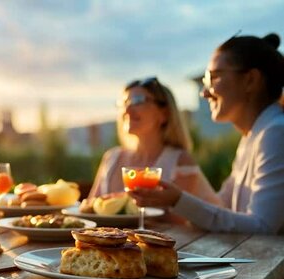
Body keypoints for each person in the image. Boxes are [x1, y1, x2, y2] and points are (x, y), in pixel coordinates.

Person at [129, 33, 284, 235]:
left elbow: (262, 226)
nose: (204, 92)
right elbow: (224, 207)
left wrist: (178, 200)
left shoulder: (275, 133)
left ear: (251, 80)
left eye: (214, 77)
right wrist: (173, 200)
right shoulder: (253, 137)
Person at [81, 77, 219, 211]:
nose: (127, 110)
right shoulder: (111, 158)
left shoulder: (180, 162)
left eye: (137, 101)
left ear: (164, 114)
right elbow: (90, 208)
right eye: (124, 103)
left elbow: (178, 222)